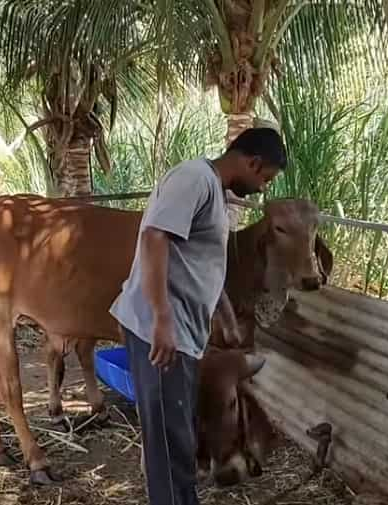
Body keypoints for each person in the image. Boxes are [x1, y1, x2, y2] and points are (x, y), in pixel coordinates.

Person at [108, 127, 287, 505]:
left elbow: (199, 262)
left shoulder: (214, 190)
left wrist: (221, 312)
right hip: (159, 331)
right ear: (253, 162)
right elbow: (154, 238)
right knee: (170, 443)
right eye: (265, 178)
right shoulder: (194, 178)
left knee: (178, 434)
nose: (264, 187)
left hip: (181, 331)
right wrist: (162, 319)